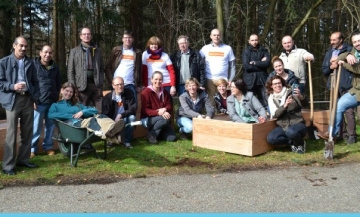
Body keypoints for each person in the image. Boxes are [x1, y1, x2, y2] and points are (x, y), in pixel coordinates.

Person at [0, 36, 40, 175]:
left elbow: (35, 82)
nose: (23, 48)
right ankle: (8, 166)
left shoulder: (31, 62)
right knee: (11, 134)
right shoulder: (4, 62)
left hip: (28, 99)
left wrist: (35, 98)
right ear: (14, 46)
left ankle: (23, 160)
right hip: (12, 100)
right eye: (21, 46)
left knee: (27, 132)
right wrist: (13, 86)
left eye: (25, 46)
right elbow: (0, 83)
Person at [48, 82, 124, 145]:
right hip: (73, 126)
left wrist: (82, 112)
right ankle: (114, 135)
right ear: (62, 90)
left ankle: (113, 128)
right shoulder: (56, 105)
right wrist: (71, 116)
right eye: (67, 91)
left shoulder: (76, 105)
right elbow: (51, 115)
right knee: (92, 121)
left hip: (82, 123)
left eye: (71, 92)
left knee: (101, 116)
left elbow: (94, 110)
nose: (69, 93)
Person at [319, 32, 356, 144]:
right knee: (335, 110)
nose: (332, 42)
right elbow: (324, 70)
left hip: (346, 83)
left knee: (348, 110)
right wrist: (331, 66)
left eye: (334, 40)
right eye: (331, 40)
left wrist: (342, 62)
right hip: (334, 84)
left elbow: (355, 67)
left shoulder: (350, 50)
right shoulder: (329, 53)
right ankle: (341, 134)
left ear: (341, 40)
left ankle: (352, 136)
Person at [31, 45, 62, 158]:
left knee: (50, 127)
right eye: (45, 52)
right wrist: (32, 99)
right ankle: (32, 149)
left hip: (52, 102)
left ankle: (48, 147)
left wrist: (58, 98)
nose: (47, 55)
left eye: (50, 53)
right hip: (39, 102)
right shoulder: (33, 66)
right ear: (40, 53)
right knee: (36, 127)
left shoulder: (55, 67)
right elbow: (30, 84)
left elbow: (58, 83)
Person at [266, 75, 307, 154]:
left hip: (297, 123)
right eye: (275, 84)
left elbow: (305, 104)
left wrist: (300, 96)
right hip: (283, 125)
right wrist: (285, 105)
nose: (277, 85)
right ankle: (292, 143)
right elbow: (275, 115)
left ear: (282, 83)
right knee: (271, 138)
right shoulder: (271, 99)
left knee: (291, 132)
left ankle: (301, 143)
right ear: (271, 86)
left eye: (279, 83)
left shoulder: (291, 92)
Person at [67, 27, 104, 112]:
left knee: (100, 111)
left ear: (91, 36)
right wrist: (74, 88)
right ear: (80, 36)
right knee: (80, 112)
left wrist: (101, 82)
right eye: (84, 34)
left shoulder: (98, 50)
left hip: (96, 86)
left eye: (88, 34)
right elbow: (70, 71)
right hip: (81, 87)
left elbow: (101, 68)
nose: (86, 36)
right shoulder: (74, 51)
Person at [105, 30, 142, 103]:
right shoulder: (116, 50)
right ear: (122, 39)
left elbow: (139, 69)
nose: (127, 40)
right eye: (125, 37)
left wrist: (139, 85)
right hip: (116, 85)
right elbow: (108, 67)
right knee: (115, 107)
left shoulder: (137, 52)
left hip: (130, 84)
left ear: (133, 39)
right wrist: (112, 81)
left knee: (131, 106)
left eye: (130, 37)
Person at [200, 28, 236, 103]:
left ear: (220, 36)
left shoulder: (228, 48)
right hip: (210, 79)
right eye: (214, 35)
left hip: (224, 80)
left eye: (218, 35)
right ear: (211, 36)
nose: (216, 37)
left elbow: (232, 66)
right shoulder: (205, 49)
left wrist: (230, 79)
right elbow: (199, 63)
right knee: (211, 102)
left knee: (226, 102)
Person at [140, 71, 177, 144]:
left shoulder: (165, 92)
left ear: (162, 81)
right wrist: (158, 112)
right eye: (156, 79)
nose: (158, 81)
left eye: (160, 79)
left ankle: (156, 133)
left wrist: (164, 109)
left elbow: (169, 105)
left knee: (172, 138)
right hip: (147, 119)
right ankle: (151, 135)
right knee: (166, 118)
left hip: (161, 119)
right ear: (151, 80)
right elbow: (145, 110)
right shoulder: (145, 92)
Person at [102, 77, 137, 149]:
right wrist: (113, 120)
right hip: (113, 119)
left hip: (125, 116)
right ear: (113, 85)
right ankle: (112, 138)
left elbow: (133, 108)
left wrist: (121, 115)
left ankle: (126, 141)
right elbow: (105, 114)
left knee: (132, 118)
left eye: (121, 84)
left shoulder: (129, 93)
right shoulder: (107, 97)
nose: (120, 86)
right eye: (117, 84)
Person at [242, 34, 270, 107]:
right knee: (250, 103)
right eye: (252, 40)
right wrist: (261, 63)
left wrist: (255, 62)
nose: (254, 42)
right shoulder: (246, 52)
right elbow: (247, 67)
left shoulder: (264, 51)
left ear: (258, 40)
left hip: (262, 80)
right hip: (249, 81)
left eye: (256, 40)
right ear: (249, 41)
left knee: (265, 101)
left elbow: (267, 64)